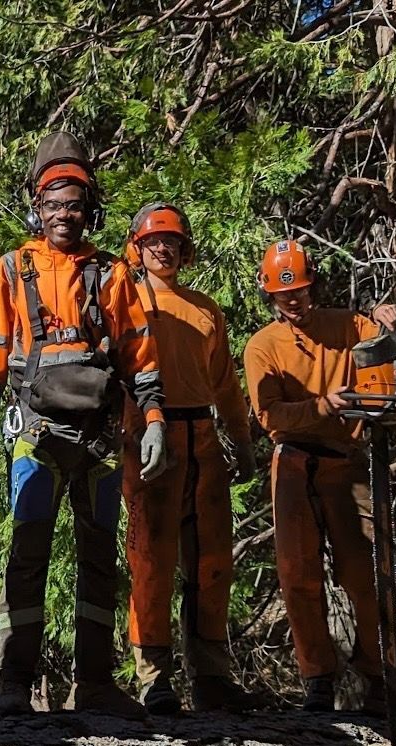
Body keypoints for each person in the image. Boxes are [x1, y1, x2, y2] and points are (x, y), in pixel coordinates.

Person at [0, 132, 167, 721]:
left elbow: (139, 352)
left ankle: (96, 682)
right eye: (53, 203)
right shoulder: (12, 269)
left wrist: (153, 417)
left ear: (90, 208)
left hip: (101, 437)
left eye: (74, 203)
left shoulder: (112, 273)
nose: (64, 215)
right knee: (27, 554)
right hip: (37, 434)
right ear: (36, 206)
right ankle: (13, 684)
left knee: (99, 555)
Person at [243, 240, 396, 712]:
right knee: (298, 574)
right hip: (293, 461)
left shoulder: (347, 326)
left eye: (302, 290)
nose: (295, 300)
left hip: (345, 458)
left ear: (313, 286)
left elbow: (384, 342)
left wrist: (388, 318)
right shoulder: (262, 347)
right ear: (271, 296)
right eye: (285, 293)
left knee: (365, 570)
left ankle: (377, 675)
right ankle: (318, 679)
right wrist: (322, 405)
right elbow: (270, 416)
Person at [121, 203, 260, 715]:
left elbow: (225, 381)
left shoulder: (205, 308)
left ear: (185, 249)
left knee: (211, 560)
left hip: (202, 434)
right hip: (146, 436)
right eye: (155, 241)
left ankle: (212, 674)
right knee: (151, 559)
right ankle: (153, 675)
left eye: (173, 242)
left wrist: (240, 440)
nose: (164, 249)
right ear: (137, 248)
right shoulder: (126, 299)